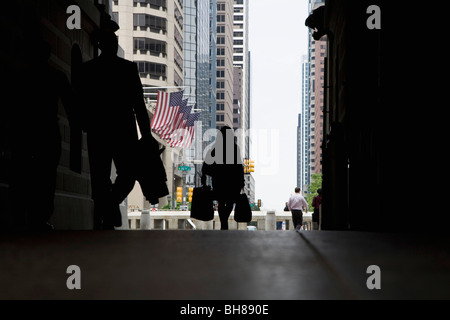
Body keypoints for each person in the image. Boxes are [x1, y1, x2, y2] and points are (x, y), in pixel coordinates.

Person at [77, 28, 158, 230]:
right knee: (124, 175)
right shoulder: (127, 69)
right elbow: (138, 105)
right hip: (122, 130)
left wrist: (84, 123)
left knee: (102, 176)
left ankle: (108, 207)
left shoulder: (88, 69)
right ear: (106, 45)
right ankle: (109, 209)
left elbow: (81, 102)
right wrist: (146, 135)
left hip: (100, 130)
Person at [7, 39, 74, 231]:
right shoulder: (57, 76)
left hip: (23, 131)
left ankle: (19, 216)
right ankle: (39, 218)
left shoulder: (20, 77)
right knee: (46, 177)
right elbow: (70, 105)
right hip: (47, 131)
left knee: (20, 173)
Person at [201, 126, 245, 230]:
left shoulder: (216, 148)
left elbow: (206, 165)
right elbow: (239, 167)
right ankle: (224, 221)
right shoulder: (235, 149)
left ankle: (223, 223)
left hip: (219, 181)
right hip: (233, 182)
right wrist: (241, 181)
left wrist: (214, 173)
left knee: (221, 202)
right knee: (229, 202)